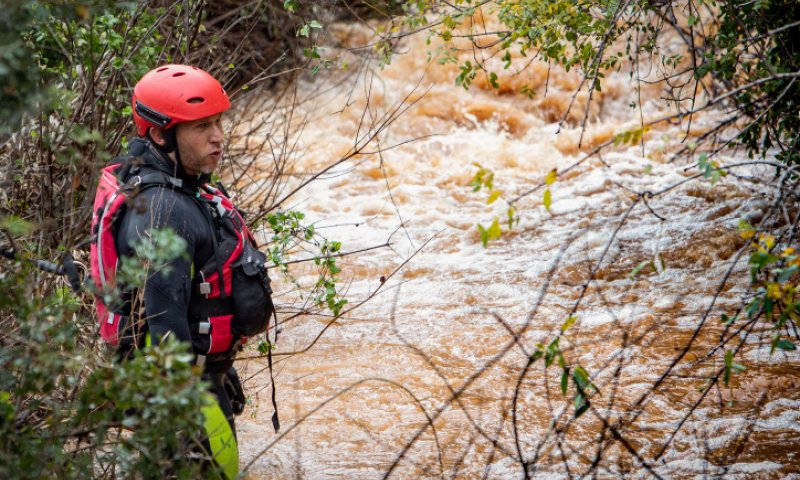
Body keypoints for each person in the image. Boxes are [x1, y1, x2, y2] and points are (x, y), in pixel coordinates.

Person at [102, 64, 272, 478]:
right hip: (180, 396)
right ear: (161, 135)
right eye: (201, 127)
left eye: (218, 122)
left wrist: (220, 367)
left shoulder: (187, 186)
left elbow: (195, 297)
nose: (218, 136)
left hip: (198, 378)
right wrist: (186, 418)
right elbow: (163, 324)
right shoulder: (164, 214)